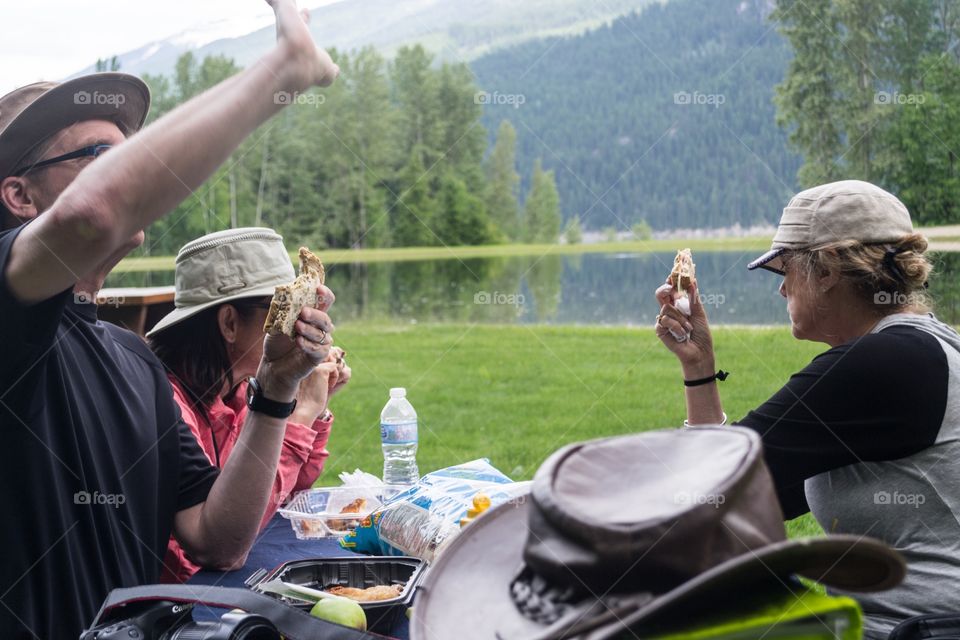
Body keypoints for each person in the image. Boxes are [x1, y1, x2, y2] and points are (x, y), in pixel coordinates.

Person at [0, 1, 341, 636]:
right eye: (96, 153)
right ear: (20, 197)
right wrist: (280, 76)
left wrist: (275, 390)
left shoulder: (133, 359)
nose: (126, 168)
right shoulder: (9, 319)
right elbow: (91, 216)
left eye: (125, 152)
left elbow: (218, 539)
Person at [654, 180, 960, 639]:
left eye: (785, 271)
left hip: (915, 630)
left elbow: (711, 483)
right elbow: (731, 499)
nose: (782, 292)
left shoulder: (886, 364)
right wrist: (699, 368)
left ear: (828, 270)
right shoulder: (927, 348)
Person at [146, 228, 352, 583]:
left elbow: (289, 492)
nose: (294, 330)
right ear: (229, 323)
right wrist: (296, 414)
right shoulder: (166, 403)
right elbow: (228, 540)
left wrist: (314, 409)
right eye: (285, 315)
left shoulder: (237, 389)